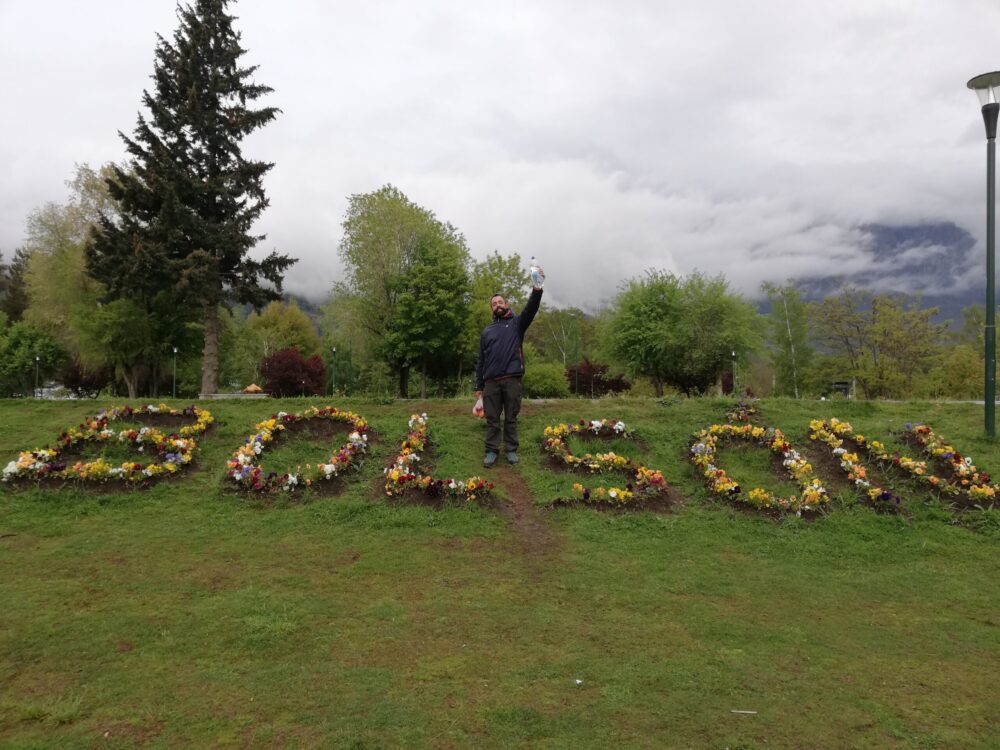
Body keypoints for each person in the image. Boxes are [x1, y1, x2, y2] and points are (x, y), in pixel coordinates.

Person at [474, 278, 543, 467]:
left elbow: (531, 309)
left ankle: (511, 450)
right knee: (492, 419)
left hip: (512, 378)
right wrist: (478, 386)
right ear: (491, 309)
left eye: (500, 302)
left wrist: (537, 290)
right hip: (491, 382)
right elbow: (481, 359)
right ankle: (491, 451)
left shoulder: (517, 324)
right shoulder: (487, 331)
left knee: (511, 418)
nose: (497, 305)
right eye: (494, 304)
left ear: (506, 305)